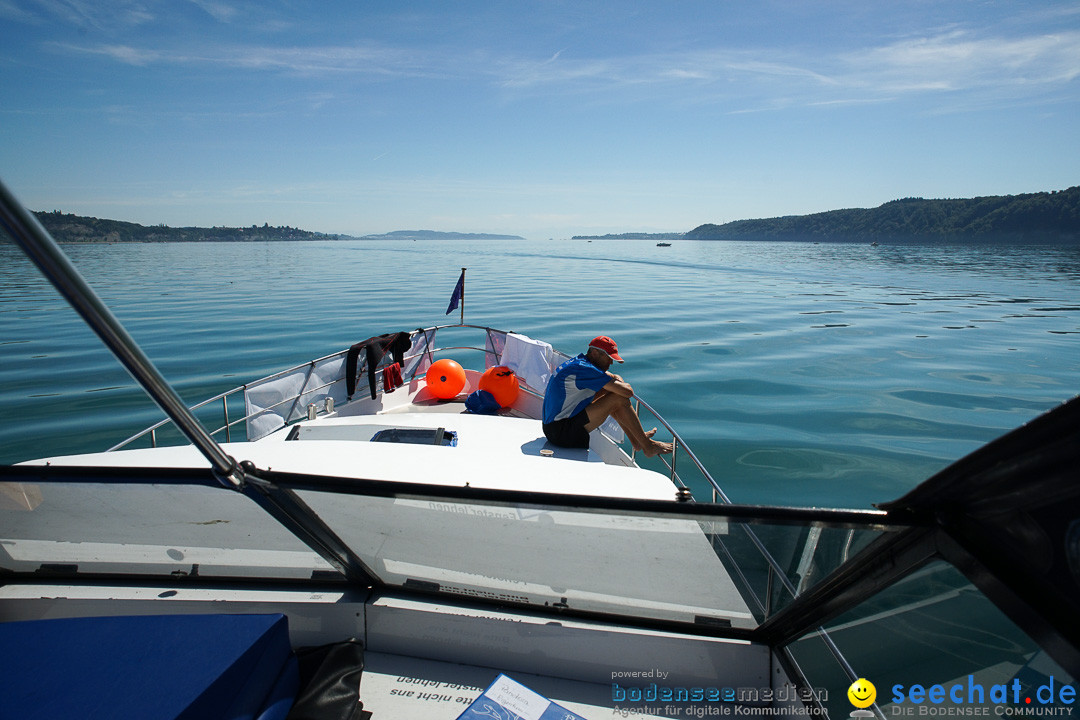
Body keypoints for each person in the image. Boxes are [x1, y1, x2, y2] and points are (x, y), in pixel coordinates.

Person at [542, 336, 673, 457]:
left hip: (554, 427)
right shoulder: (585, 370)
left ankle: (637, 441)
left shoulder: (580, 363)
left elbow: (615, 379)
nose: (611, 362)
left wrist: (616, 383)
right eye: (609, 357)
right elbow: (628, 392)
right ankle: (648, 446)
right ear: (594, 353)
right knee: (618, 398)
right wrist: (618, 385)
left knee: (614, 394)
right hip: (560, 432)